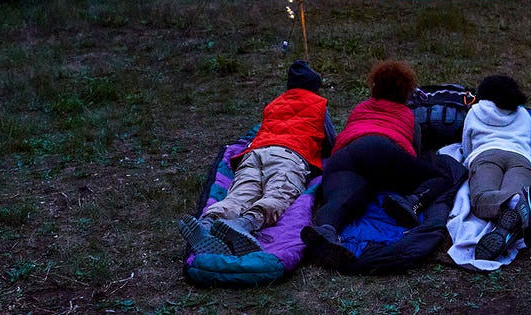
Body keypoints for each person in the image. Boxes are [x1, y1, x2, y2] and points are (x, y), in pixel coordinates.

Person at [302, 60, 456, 267]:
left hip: (346, 155)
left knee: (342, 199)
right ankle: (412, 202)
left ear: (375, 86)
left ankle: (326, 230)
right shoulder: (407, 116)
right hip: (384, 150)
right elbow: (414, 154)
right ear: (406, 91)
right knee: (441, 176)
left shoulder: (360, 108)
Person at [177, 60, 336, 256]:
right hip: (288, 155)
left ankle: (208, 223)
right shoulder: (319, 105)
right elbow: (330, 141)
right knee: (278, 193)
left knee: (240, 194)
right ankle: (244, 224)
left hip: (254, 154)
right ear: (315, 88)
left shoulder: (274, 104)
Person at [461, 75, 531, 261]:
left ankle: (512, 204)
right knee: (516, 192)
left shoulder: (475, 111)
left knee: (483, 198)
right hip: (521, 159)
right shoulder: (523, 114)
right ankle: (520, 204)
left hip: (486, 155)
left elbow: (466, 148)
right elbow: (530, 142)